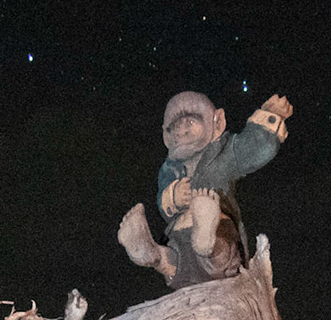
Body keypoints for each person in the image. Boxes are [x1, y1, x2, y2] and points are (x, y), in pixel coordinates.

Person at [117, 90, 293, 289]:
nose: (182, 131)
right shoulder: (169, 170)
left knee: (219, 251)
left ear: (217, 123)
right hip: (181, 235)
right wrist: (172, 197)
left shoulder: (224, 153)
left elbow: (254, 148)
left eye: (190, 122)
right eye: (176, 127)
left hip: (220, 232)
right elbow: (163, 204)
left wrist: (271, 115)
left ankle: (206, 241)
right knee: (174, 258)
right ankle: (151, 254)